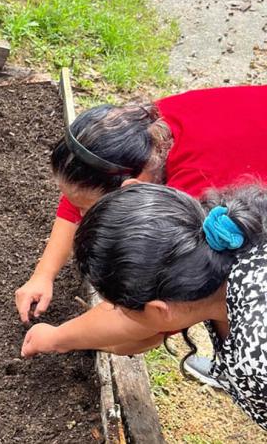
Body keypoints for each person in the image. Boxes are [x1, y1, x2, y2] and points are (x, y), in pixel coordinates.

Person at [21, 183, 267, 429]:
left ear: (160, 310)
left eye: (119, 308)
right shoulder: (228, 247)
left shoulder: (256, 360)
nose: (117, 314)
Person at [15, 85, 267, 324]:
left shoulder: (191, 196)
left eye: (87, 209)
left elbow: (168, 306)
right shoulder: (138, 133)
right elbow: (81, 194)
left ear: (132, 188)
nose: (82, 216)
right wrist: (43, 274)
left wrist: (57, 338)